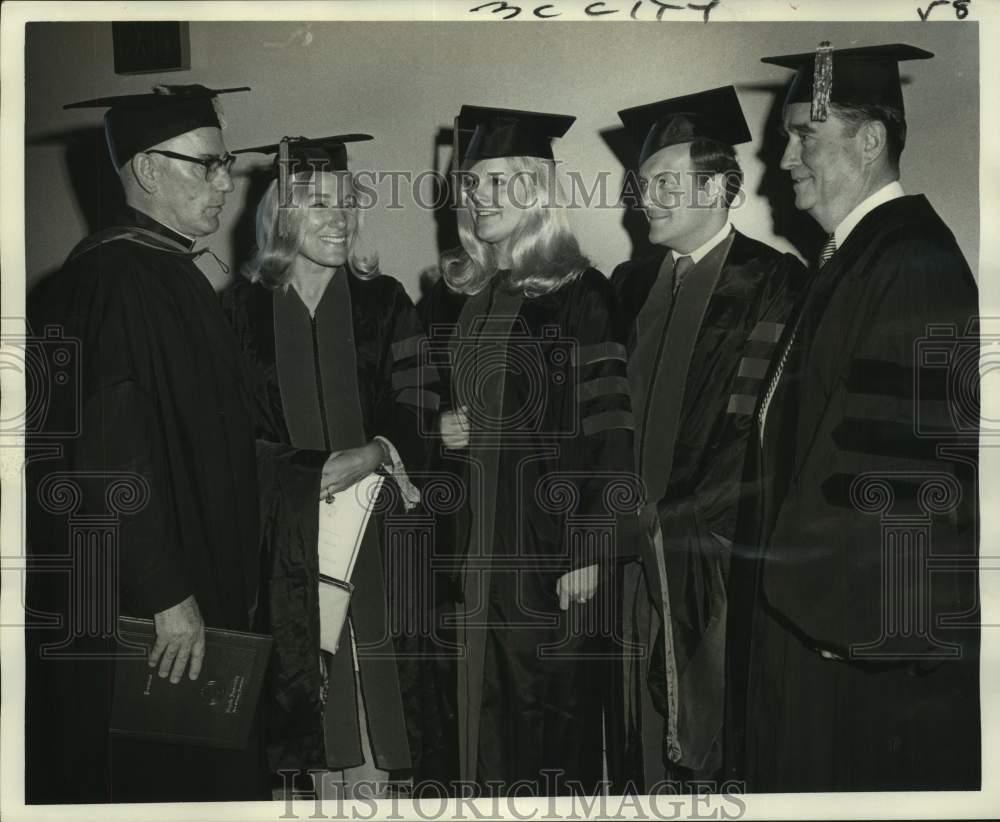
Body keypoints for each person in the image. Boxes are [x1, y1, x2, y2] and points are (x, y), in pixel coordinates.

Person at [25, 84, 329, 803]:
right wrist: (165, 594)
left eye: (227, 164)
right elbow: (109, 451)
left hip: (193, 578)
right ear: (148, 169)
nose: (225, 180)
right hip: (157, 602)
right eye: (207, 164)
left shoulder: (170, 274)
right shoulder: (114, 279)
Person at [725, 43, 980, 791]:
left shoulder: (911, 263)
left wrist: (866, 622)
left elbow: (911, 461)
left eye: (807, 133)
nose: (787, 158)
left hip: (854, 636)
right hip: (816, 617)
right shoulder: (852, 260)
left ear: (870, 141)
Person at [421, 105, 636, 796]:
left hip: (547, 549)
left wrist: (591, 548)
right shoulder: (471, 296)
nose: (477, 198)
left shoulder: (581, 293)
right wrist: (449, 429)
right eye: (471, 185)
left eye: (495, 182)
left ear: (536, 188)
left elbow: (607, 428)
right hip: (479, 546)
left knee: (547, 718)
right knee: (481, 715)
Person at [221, 134, 439, 799]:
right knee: (300, 720)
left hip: (378, 542)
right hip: (284, 548)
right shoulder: (238, 311)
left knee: (383, 719)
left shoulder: (385, 302)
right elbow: (227, 439)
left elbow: (419, 401)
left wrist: (379, 451)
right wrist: (305, 471)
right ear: (280, 214)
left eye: (347, 203)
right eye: (318, 204)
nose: (339, 219)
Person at [608, 86, 805, 790]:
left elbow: (754, 434)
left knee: (712, 747)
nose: (645, 200)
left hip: (712, 564)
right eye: (641, 184)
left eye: (665, 183)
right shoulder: (629, 287)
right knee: (639, 745)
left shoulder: (772, 281)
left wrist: (668, 524)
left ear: (721, 187)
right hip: (631, 563)